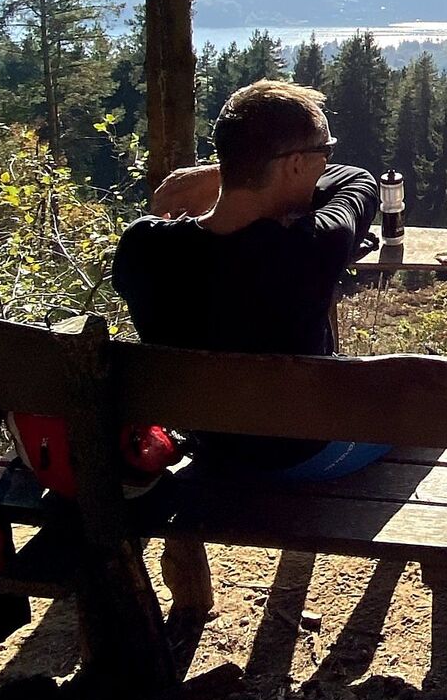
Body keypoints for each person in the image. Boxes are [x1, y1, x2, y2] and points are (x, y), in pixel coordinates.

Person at [112, 79, 385, 479]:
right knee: (424, 407)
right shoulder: (313, 246)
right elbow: (357, 180)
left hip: (207, 449)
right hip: (298, 457)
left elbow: (170, 207)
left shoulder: (141, 246)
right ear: (294, 164)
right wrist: (224, 173)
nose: (327, 163)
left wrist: (230, 170)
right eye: (324, 152)